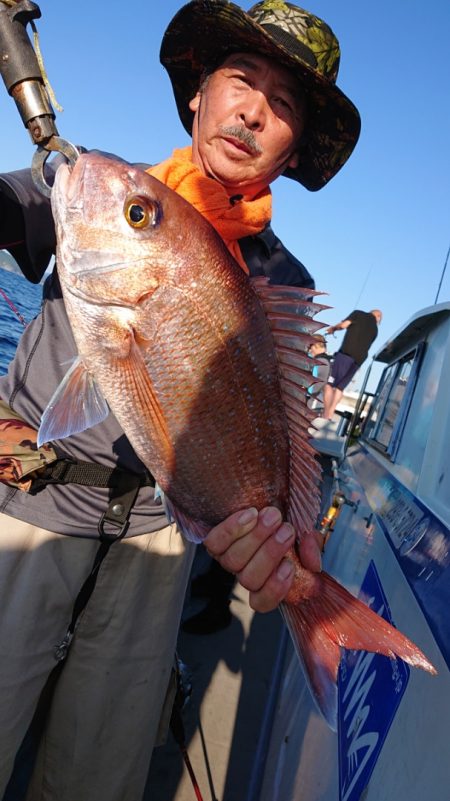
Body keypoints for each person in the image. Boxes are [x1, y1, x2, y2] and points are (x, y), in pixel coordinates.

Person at [0, 2, 360, 799]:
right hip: (23, 511)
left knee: (97, 775)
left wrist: (287, 553)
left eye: (285, 104)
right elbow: (16, 203)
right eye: (241, 79)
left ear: (294, 144)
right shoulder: (111, 196)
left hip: (163, 548)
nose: (253, 111)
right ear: (198, 93)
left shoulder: (286, 285)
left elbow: (288, 439)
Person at [312, 308, 382, 429]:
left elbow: (344, 325)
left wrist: (333, 328)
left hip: (346, 354)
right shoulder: (376, 330)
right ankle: (330, 415)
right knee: (340, 389)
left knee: (329, 384)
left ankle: (326, 415)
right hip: (359, 361)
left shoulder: (359, 313)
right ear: (378, 317)